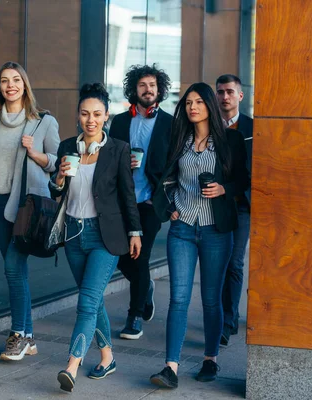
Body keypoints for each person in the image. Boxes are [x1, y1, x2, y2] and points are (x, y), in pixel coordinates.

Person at [150, 82, 249, 388]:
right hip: (182, 228)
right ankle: (170, 367)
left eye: (198, 102)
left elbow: (243, 179)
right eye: (188, 102)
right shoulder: (179, 139)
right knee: (178, 299)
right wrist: (167, 208)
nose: (192, 107)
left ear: (209, 105)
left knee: (210, 299)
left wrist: (223, 189)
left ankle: (210, 359)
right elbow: (161, 174)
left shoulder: (230, 141)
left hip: (215, 230)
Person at [50, 83, 142, 392]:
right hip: (74, 234)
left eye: (98, 114)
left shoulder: (117, 149)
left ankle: (71, 365)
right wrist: (59, 177)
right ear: (77, 116)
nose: (91, 120)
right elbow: (56, 192)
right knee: (94, 299)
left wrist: (135, 232)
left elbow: (128, 195)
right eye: (85, 114)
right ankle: (107, 356)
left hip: (105, 237)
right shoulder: (66, 147)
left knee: (86, 302)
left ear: (106, 116)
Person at [0, 61, 60, 361]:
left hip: (26, 205)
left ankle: (18, 334)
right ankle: (29, 338)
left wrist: (36, 153)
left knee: (11, 267)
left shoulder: (43, 121)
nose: (11, 85)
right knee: (17, 271)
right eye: (5, 81)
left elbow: (57, 163)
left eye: (16, 79)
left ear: (25, 84)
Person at [109, 64, 173, 340]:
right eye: (142, 85)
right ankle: (144, 287)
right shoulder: (121, 121)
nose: (148, 90)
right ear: (134, 90)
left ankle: (134, 317)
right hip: (122, 202)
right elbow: (108, 157)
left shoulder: (170, 123)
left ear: (159, 90)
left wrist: (169, 200)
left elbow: (175, 165)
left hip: (150, 202)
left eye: (152, 86)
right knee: (122, 257)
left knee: (141, 256)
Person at [216, 74, 253, 345]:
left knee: (235, 262)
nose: (225, 96)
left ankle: (228, 322)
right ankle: (221, 316)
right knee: (218, 263)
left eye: (230, 92)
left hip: (242, 206)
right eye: (220, 92)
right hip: (214, 205)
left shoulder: (253, 127)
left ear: (240, 96)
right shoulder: (209, 126)